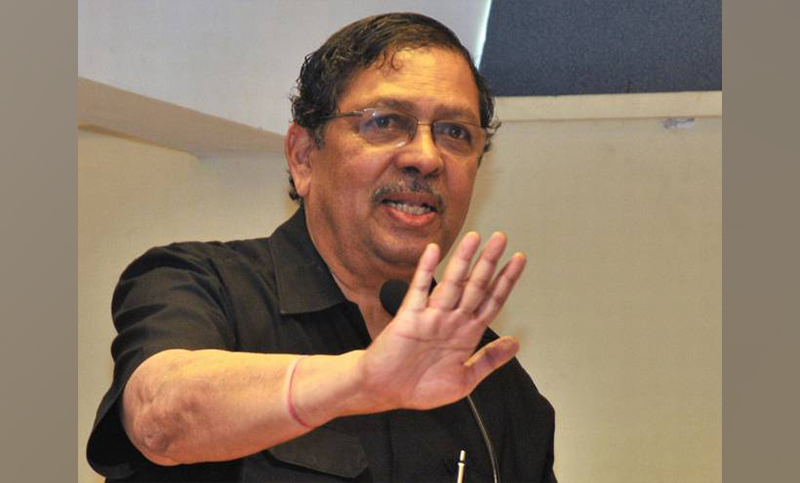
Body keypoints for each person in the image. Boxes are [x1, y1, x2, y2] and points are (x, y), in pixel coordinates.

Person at [87, 12, 556, 483]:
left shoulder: (491, 379)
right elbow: (158, 419)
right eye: (385, 122)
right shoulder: (201, 285)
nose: (426, 157)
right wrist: (361, 380)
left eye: (455, 132)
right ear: (304, 157)